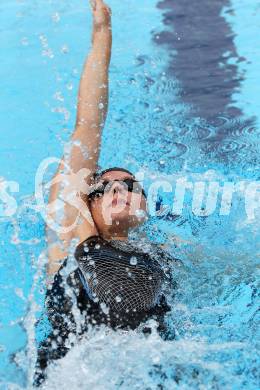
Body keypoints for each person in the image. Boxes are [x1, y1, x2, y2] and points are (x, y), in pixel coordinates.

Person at [34, 0, 177, 385]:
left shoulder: (161, 257)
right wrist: (102, 36)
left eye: (130, 185)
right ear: (85, 201)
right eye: (103, 186)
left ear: (146, 207)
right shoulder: (71, 236)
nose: (118, 188)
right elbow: (87, 126)